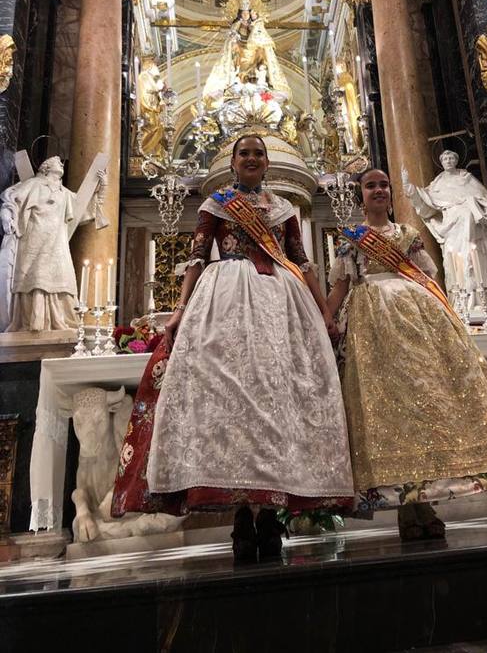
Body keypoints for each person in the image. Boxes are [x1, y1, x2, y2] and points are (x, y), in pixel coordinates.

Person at [113, 135, 353, 561]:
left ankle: (268, 512)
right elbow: (195, 259)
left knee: (276, 399)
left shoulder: (283, 209)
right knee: (233, 402)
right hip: (224, 298)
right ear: (233, 163)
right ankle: (242, 513)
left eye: (258, 153)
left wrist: (324, 311)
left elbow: (301, 262)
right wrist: (179, 309)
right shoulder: (216, 205)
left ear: (266, 162)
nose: (252, 159)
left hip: (281, 301)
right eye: (245, 153)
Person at [326, 167, 487, 541]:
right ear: (359, 194)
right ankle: (408, 507)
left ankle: (422, 503)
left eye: (383, 185)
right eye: (370, 186)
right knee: (392, 413)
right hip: (372, 330)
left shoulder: (408, 234)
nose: (378, 190)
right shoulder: (350, 240)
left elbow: (428, 279)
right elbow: (340, 289)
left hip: (418, 321)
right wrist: (321, 321)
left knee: (426, 405)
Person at [0, 156, 106, 332]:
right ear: (45, 168)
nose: (62, 164)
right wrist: (6, 215)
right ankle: (31, 320)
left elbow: (85, 210)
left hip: (56, 242)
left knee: (61, 275)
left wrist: (102, 188)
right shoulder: (33, 184)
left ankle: (58, 320)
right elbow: (11, 198)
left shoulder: (63, 192)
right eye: (57, 161)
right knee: (34, 276)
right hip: (34, 238)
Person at [403, 150, 487, 309]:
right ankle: (462, 301)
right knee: (456, 263)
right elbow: (426, 205)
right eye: (445, 158)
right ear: (441, 162)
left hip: (473, 228)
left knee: (474, 259)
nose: (448, 160)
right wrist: (409, 187)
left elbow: (486, 199)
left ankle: (483, 299)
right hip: (452, 228)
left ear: (456, 160)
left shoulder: (466, 179)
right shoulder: (437, 184)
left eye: (451, 157)